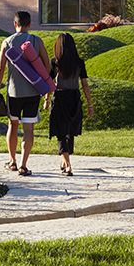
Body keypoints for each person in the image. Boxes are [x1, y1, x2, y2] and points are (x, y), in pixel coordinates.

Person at [0, 11, 49, 176]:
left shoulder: (7, 42)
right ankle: (23, 166)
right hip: (33, 91)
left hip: (13, 92)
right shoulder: (36, 40)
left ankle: (12, 161)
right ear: (29, 24)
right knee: (29, 129)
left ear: (14, 24)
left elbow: (0, 68)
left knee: (12, 125)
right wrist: (43, 86)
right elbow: (47, 65)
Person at [43, 33, 94, 177]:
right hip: (74, 98)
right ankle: (64, 160)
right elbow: (84, 84)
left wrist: (46, 100)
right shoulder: (79, 63)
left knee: (61, 131)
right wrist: (90, 104)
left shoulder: (55, 62)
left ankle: (67, 164)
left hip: (59, 97)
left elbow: (49, 83)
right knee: (69, 130)